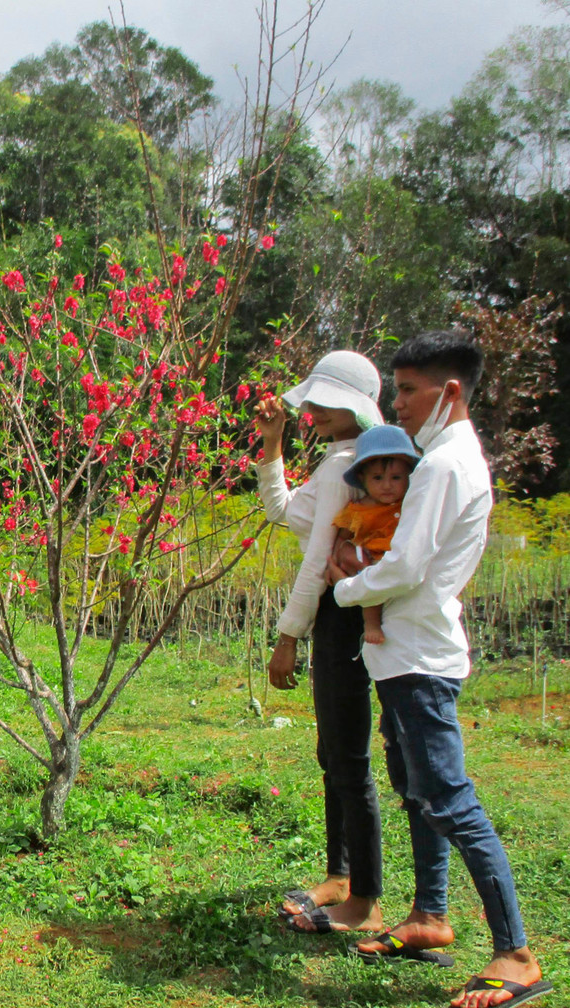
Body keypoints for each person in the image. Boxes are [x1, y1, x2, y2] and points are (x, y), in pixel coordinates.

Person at [330, 332, 551, 1008]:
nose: (396, 404)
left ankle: (516, 954)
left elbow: (403, 566)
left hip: (420, 658)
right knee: (418, 792)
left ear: (449, 390)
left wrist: (345, 589)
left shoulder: (443, 466)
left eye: (406, 390)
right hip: (405, 654)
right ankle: (429, 915)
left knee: (450, 801)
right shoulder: (448, 459)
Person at [252, 350, 385, 935]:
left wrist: (288, 636)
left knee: (347, 757)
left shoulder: (347, 464)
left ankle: (363, 894)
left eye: (328, 402)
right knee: (334, 752)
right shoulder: (340, 461)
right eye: (314, 401)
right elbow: (283, 511)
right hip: (341, 615)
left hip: (342, 616)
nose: (315, 410)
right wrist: (273, 443)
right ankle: (342, 876)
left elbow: (315, 563)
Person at [331, 425, 421, 646]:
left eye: (396, 478)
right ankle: (371, 624)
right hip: (372, 560)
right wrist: (337, 558)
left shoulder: (412, 503)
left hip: (404, 562)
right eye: (378, 478)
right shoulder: (359, 509)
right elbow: (342, 537)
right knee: (370, 586)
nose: (387, 486)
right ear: (363, 479)